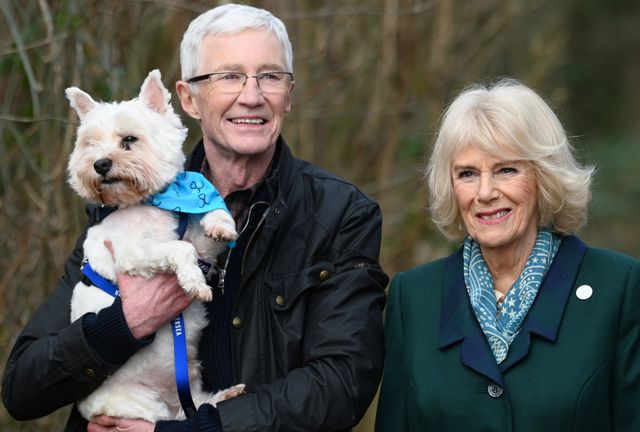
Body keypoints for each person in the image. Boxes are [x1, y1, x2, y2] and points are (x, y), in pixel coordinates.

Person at [2, 4, 388, 431]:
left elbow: (343, 383)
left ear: (289, 94)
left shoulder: (339, 215)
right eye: (229, 76)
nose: (252, 95)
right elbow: (23, 386)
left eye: (270, 76)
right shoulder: (124, 204)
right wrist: (125, 324)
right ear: (188, 99)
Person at [375, 79, 640, 431]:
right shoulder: (413, 298)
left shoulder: (619, 289)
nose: (485, 192)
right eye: (467, 174)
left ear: (543, 176)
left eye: (506, 170)